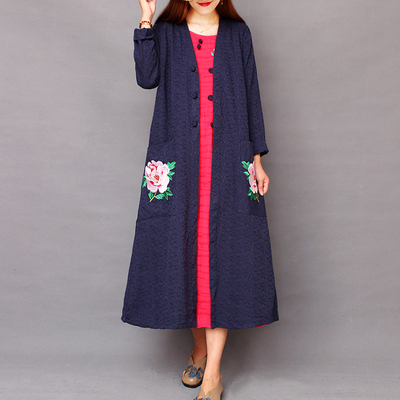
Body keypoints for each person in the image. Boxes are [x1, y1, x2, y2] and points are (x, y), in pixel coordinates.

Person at [121, 1, 278, 399]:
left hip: (228, 162)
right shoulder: (168, 32)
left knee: (223, 259)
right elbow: (146, 78)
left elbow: (251, 95)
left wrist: (257, 159)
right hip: (181, 163)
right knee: (188, 258)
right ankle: (199, 349)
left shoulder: (239, 34)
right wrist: (145, 18)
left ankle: (213, 375)